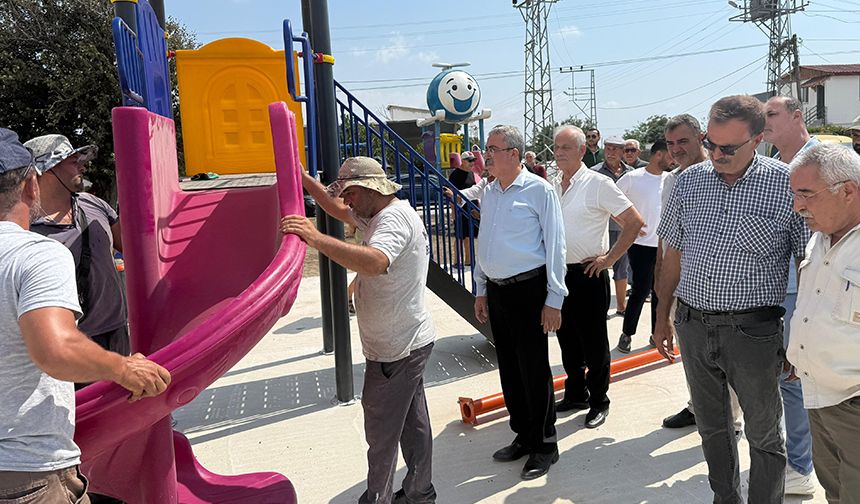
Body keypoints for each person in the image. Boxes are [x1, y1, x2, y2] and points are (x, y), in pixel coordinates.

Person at [0, 128, 171, 503]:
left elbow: (135, 242)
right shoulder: (36, 250)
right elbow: (56, 350)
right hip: (25, 466)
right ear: (33, 183)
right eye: (68, 158)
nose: (80, 163)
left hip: (108, 336)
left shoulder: (93, 206)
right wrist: (123, 369)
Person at [653, 95, 810, 503]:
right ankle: (726, 498)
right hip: (692, 324)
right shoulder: (689, 182)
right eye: (711, 143)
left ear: (757, 139)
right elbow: (673, 254)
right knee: (713, 428)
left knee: (763, 433)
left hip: (754, 332)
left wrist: (799, 334)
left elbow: (806, 263)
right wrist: (661, 316)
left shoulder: (785, 184)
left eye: (728, 148)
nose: (716, 154)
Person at [282, 157, 436, 504]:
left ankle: (377, 499)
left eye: (351, 193)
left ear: (369, 189)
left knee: (381, 431)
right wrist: (305, 180)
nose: (347, 201)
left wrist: (314, 238)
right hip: (406, 341)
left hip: (397, 348)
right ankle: (420, 493)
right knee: (412, 425)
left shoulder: (392, 221)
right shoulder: (377, 212)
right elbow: (337, 208)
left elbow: (375, 261)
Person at [472, 125, 567, 480]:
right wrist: (481, 288)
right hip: (497, 291)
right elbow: (486, 242)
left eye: (492, 148)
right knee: (510, 368)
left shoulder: (539, 191)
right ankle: (523, 435)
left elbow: (556, 245)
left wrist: (554, 298)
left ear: (513, 153)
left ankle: (545, 443)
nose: (486, 154)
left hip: (529, 290)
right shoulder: (491, 192)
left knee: (533, 368)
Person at [550, 125, 643, 429]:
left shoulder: (598, 184)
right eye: (556, 147)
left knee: (594, 343)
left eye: (565, 147)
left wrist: (609, 259)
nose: (558, 152)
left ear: (581, 151)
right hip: (558, 274)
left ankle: (599, 400)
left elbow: (633, 222)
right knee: (566, 339)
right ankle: (575, 393)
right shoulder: (552, 184)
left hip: (588, 273)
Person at [657, 115, 743, 435]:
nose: (677, 149)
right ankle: (698, 407)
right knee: (694, 357)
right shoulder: (671, 181)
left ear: (701, 138)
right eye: (671, 144)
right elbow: (665, 239)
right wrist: (660, 288)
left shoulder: (723, 174)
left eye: (683, 141)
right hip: (682, 283)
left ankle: (730, 421)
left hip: (718, 286)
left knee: (725, 358)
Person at [787, 143, 860, 504]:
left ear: (848, 191)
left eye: (806, 195)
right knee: (836, 493)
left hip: (854, 403)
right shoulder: (819, 238)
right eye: (794, 195)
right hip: (818, 399)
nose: (798, 207)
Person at [24, 134, 129, 359]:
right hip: (72, 345)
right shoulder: (25, 227)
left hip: (116, 330)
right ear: (47, 170)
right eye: (73, 162)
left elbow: (130, 248)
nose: (82, 166)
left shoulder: (93, 204)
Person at [763, 95, 820, 496]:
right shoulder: (772, 165)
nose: (763, 122)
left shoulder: (823, 161)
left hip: (809, 287)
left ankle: (800, 466)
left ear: (797, 116)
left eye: (771, 115)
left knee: (796, 378)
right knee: (786, 378)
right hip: (775, 288)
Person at [615, 140, 671, 353]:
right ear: (658, 154)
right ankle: (627, 333)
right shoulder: (632, 178)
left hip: (665, 245)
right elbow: (611, 204)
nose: (673, 158)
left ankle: (656, 334)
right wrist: (629, 226)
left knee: (661, 293)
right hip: (641, 246)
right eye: (669, 154)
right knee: (640, 290)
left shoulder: (670, 179)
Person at [592, 135, 634, 316]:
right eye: (608, 148)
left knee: (621, 267)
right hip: (601, 227)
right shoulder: (593, 172)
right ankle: (600, 305)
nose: (610, 152)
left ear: (623, 152)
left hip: (624, 228)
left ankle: (621, 306)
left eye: (615, 149)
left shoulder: (631, 173)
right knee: (599, 267)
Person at [447, 151, 478, 266]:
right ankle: (456, 261)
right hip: (460, 209)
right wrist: (453, 211)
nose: (472, 163)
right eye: (470, 161)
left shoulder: (471, 174)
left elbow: (475, 190)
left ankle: (469, 260)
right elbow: (451, 193)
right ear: (463, 161)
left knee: (470, 235)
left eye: (473, 160)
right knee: (460, 235)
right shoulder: (455, 174)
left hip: (471, 208)